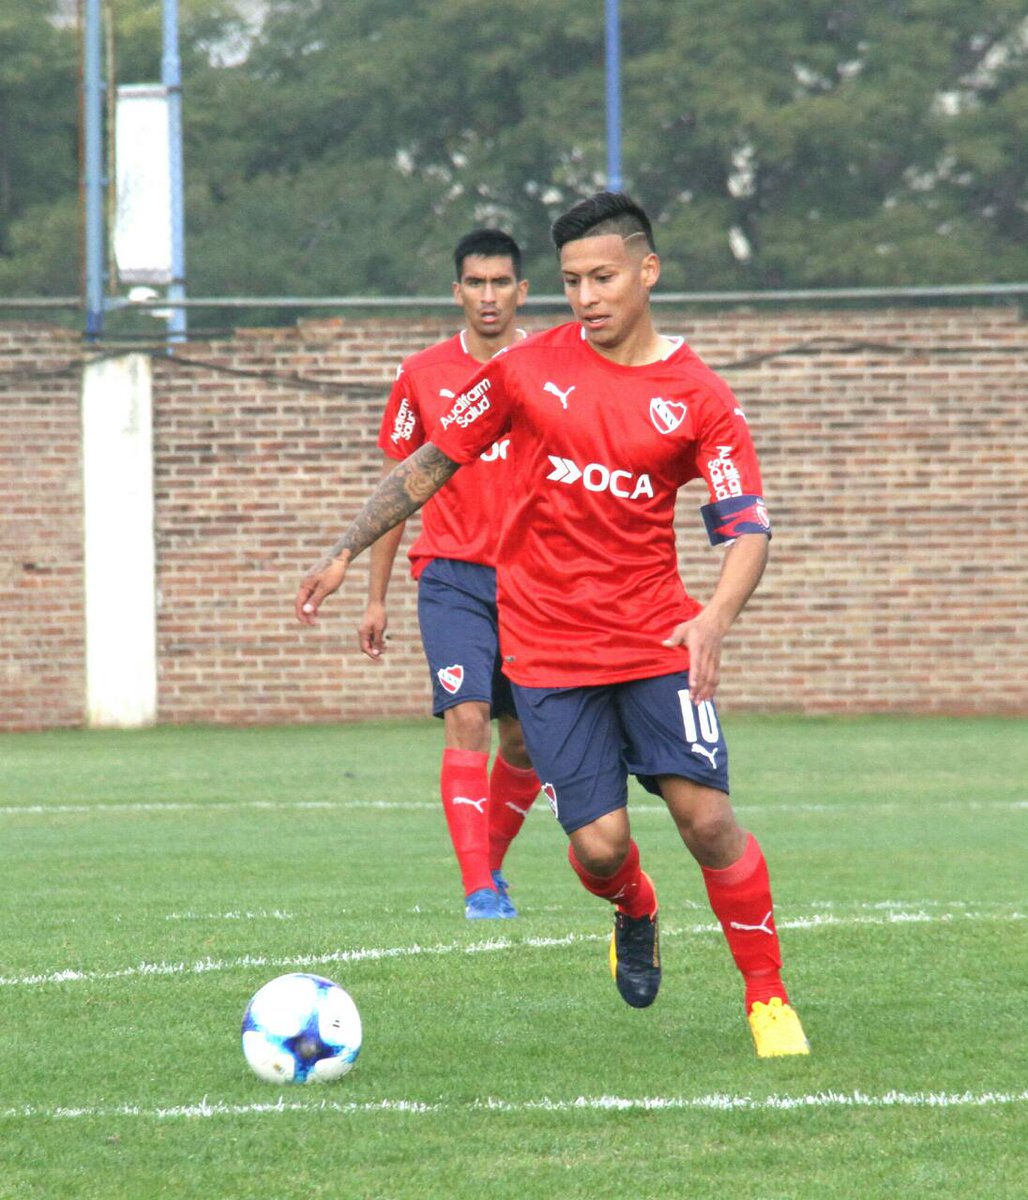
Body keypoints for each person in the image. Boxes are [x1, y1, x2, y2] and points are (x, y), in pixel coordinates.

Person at [296, 193, 809, 1058]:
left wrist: (715, 617)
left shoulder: (699, 398)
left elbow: (748, 525)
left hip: (655, 638)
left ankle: (767, 998)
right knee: (603, 849)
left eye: (603, 277)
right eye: (571, 281)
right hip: (547, 647)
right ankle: (635, 908)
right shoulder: (526, 370)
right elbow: (428, 462)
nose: (586, 297)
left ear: (648, 271)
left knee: (709, 819)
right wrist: (348, 549)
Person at [359, 229, 541, 921]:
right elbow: (402, 485)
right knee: (466, 716)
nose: (489, 296)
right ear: (457, 290)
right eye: (476, 283)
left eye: (501, 283)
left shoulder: (556, 367)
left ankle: (489, 865)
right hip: (452, 577)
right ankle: (478, 890)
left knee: (522, 738)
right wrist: (376, 598)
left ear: (522, 291)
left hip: (533, 582)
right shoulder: (422, 374)